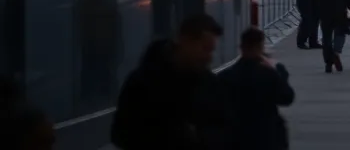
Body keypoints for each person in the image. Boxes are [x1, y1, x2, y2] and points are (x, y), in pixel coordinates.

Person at [111, 13, 231, 150]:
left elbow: (225, 131)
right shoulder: (142, 82)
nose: (209, 57)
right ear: (184, 40)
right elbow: (120, 133)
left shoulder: (210, 85)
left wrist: (197, 137)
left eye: (211, 50)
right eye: (205, 49)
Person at [216, 28, 295, 150]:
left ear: (241, 47)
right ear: (261, 46)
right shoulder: (270, 73)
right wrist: (278, 73)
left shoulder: (225, 76)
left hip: (236, 137)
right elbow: (287, 97)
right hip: (267, 136)